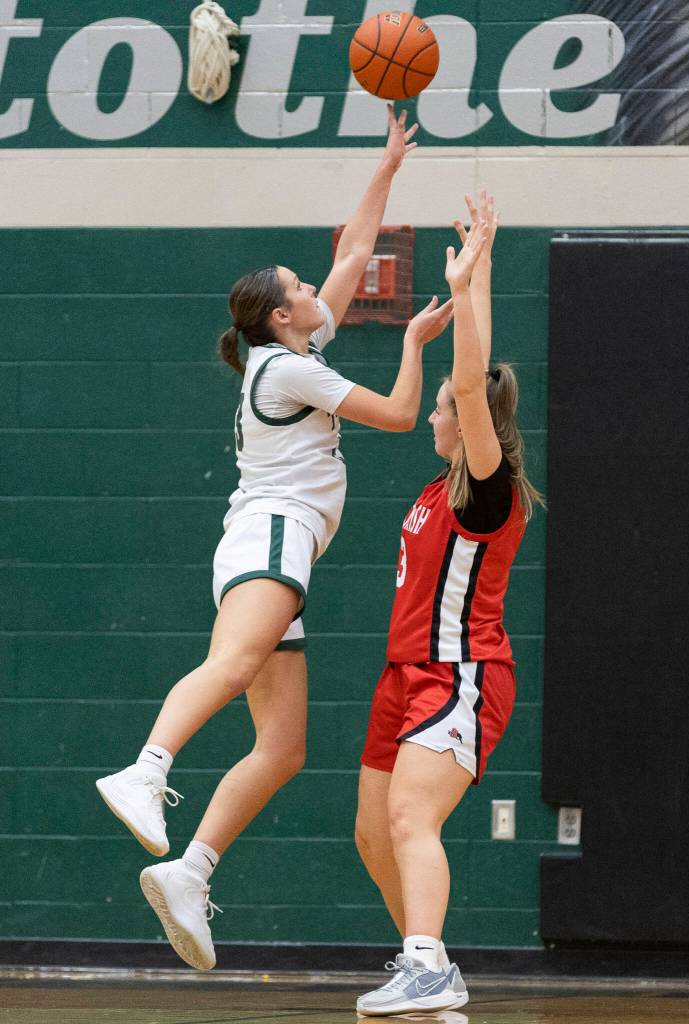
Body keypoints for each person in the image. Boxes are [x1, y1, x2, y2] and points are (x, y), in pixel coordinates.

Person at [95, 106, 454, 972]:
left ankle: (191, 870)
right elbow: (404, 415)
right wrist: (409, 340)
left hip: (271, 541)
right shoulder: (291, 366)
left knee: (284, 747)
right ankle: (144, 769)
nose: (313, 289)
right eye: (299, 286)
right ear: (280, 317)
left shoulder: (292, 345)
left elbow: (351, 255)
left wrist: (387, 168)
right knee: (230, 668)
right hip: (270, 536)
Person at [354, 194, 545, 1016]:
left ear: (465, 428)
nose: (434, 411)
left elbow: (470, 380)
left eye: (442, 409)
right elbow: (473, 379)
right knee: (372, 834)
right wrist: (478, 269)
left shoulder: (486, 495)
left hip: (460, 673)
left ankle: (428, 964)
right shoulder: (439, 491)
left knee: (409, 817)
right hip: (402, 675)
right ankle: (424, 964)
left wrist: (471, 288)